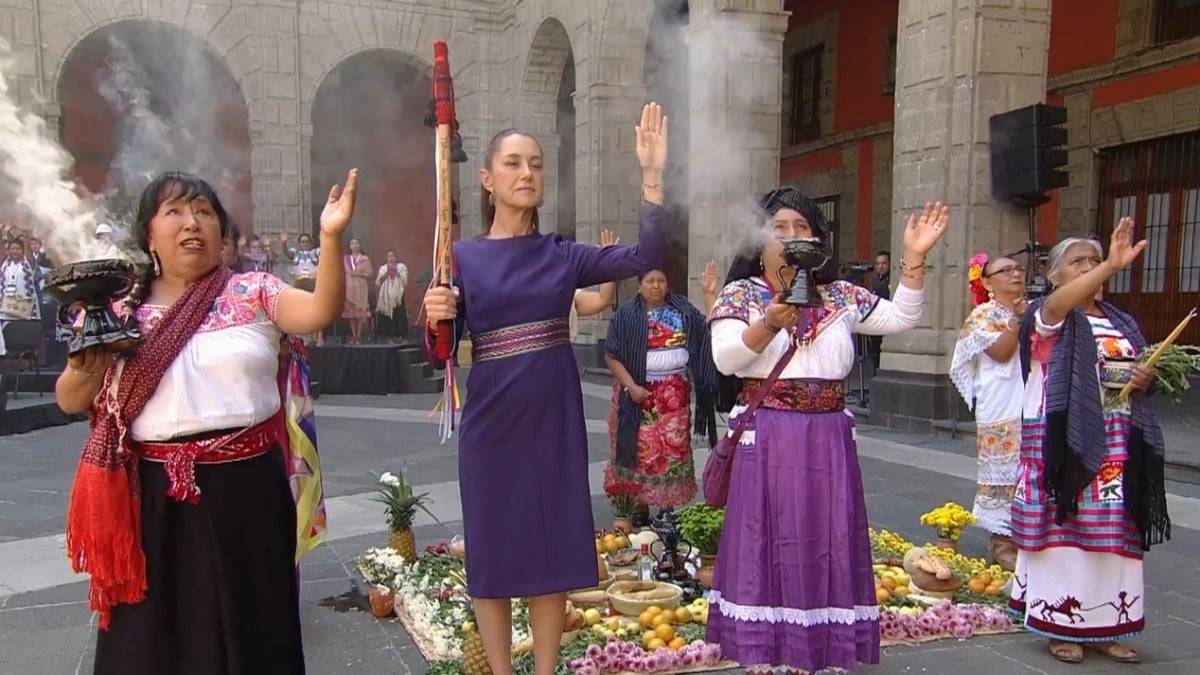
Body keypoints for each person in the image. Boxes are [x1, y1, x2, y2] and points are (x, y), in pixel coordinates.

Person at [55, 168, 357, 674]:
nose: (191, 223)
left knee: (252, 633)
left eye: (204, 212)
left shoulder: (253, 291)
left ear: (222, 232)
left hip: (247, 492)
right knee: (154, 642)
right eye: (174, 212)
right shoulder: (117, 312)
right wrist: (94, 356)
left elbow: (320, 310)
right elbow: (70, 397)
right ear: (149, 235)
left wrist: (330, 236)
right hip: (152, 499)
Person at [422, 102, 672, 675]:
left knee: (552, 548)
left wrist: (652, 179)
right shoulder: (458, 259)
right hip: (490, 424)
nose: (527, 172)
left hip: (554, 422)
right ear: (488, 179)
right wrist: (437, 313)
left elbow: (647, 258)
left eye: (535, 163)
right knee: (493, 548)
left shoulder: (561, 254)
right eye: (513, 163)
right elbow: (436, 355)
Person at [705, 189, 949, 674]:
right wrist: (770, 323)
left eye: (803, 229)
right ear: (760, 241)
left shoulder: (840, 296)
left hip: (829, 439)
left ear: (818, 242)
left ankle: (822, 648)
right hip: (769, 435)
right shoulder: (744, 293)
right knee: (768, 541)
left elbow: (902, 318)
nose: (793, 237)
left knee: (825, 537)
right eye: (781, 228)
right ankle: (767, 652)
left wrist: (914, 259)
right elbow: (726, 358)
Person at [1009, 222, 1167, 665]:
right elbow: (1056, 310)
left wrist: (1143, 376)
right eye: (1077, 262)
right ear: (1055, 275)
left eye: (1095, 262)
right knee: (1066, 531)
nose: (1089, 268)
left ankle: (1105, 626)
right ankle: (1060, 625)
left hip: (1118, 437)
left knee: (1113, 530)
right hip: (1064, 441)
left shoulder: (1122, 322)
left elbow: (1138, 368)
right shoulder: (1049, 310)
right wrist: (1112, 265)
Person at [602, 266, 718, 510]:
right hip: (637, 395)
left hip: (674, 395)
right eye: (650, 281)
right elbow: (612, 355)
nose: (656, 286)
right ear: (639, 286)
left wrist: (709, 296)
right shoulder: (625, 315)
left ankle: (668, 508)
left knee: (672, 450)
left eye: (661, 280)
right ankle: (639, 507)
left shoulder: (684, 311)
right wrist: (631, 386)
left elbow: (712, 332)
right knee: (642, 450)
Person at [949, 252, 1028, 571]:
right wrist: (1017, 320)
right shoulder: (982, 315)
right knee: (1002, 469)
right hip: (999, 400)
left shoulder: (1031, 309)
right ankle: (1001, 540)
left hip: (1029, 395)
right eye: (1005, 270)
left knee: (1028, 466)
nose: (1015, 274)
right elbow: (1002, 351)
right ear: (987, 282)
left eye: (1018, 268)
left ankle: (1026, 533)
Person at [342, 237, 371, 344]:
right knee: (351, 313)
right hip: (349, 286)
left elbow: (369, 273)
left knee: (360, 313)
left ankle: (359, 335)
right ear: (350, 246)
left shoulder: (365, 259)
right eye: (352, 243)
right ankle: (353, 335)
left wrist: (358, 274)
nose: (354, 245)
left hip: (361, 286)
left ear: (360, 245)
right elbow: (344, 272)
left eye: (356, 243)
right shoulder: (345, 258)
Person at [375, 250, 409, 342]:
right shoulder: (383, 268)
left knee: (399, 315)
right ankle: (388, 336)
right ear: (386, 259)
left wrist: (396, 272)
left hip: (398, 295)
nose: (391, 258)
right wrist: (387, 273)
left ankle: (399, 336)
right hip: (386, 296)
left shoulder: (401, 267)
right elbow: (378, 282)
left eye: (392, 256)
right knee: (387, 317)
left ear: (396, 257)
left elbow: (404, 281)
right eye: (389, 256)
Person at [867, 250, 890, 371]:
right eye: (878, 264)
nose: (880, 266)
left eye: (884, 263)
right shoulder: (877, 280)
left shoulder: (890, 280)